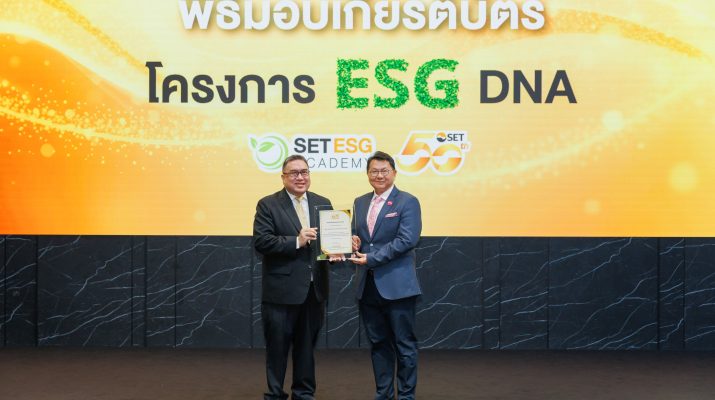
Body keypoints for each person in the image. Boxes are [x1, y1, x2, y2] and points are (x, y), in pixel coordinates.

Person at [253, 154, 331, 400]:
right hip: (281, 291)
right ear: (283, 177)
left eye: (304, 172)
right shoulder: (268, 204)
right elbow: (262, 242)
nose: (300, 177)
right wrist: (296, 241)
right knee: (277, 348)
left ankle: (304, 393)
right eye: (294, 173)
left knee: (306, 348)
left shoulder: (323, 203)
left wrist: (339, 250)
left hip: (313, 291)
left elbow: (327, 245)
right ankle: (275, 394)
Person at [349, 151, 422, 400]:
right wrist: (352, 240)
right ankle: (383, 394)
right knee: (378, 344)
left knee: (404, 345)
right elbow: (358, 236)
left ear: (394, 173)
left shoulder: (407, 201)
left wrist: (371, 258)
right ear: (367, 174)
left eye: (384, 171)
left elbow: (407, 240)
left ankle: (406, 396)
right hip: (367, 286)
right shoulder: (359, 202)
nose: (379, 175)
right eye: (374, 171)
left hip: (398, 286)